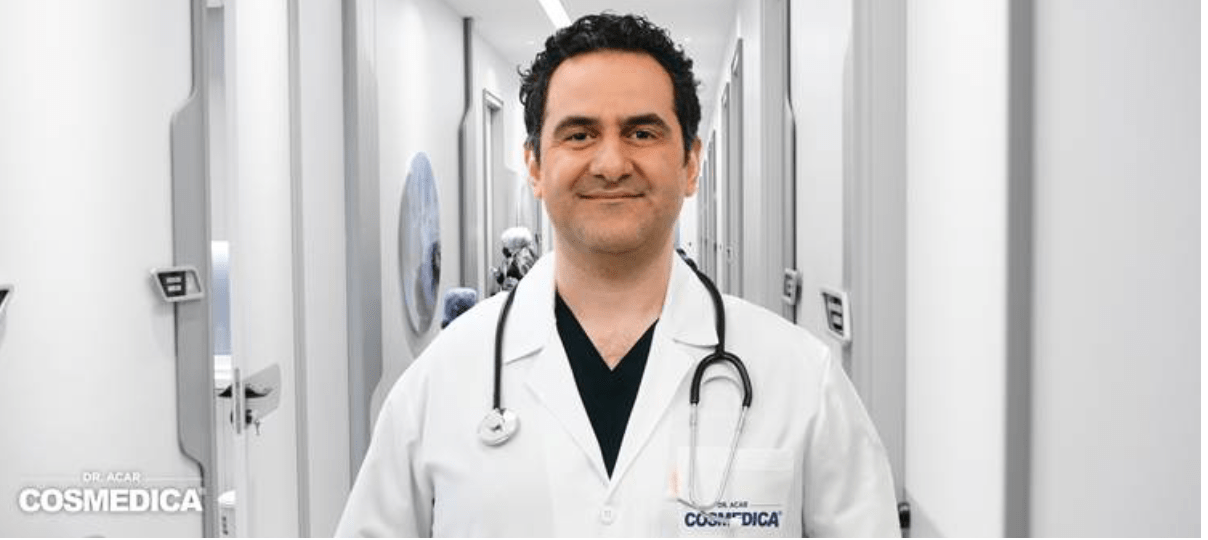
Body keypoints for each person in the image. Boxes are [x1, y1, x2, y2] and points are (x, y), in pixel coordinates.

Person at [336, 13, 899, 537]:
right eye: (579, 134)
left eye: (642, 133)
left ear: (691, 164)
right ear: (535, 165)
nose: (610, 164)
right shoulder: (440, 381)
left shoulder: (801, 378)